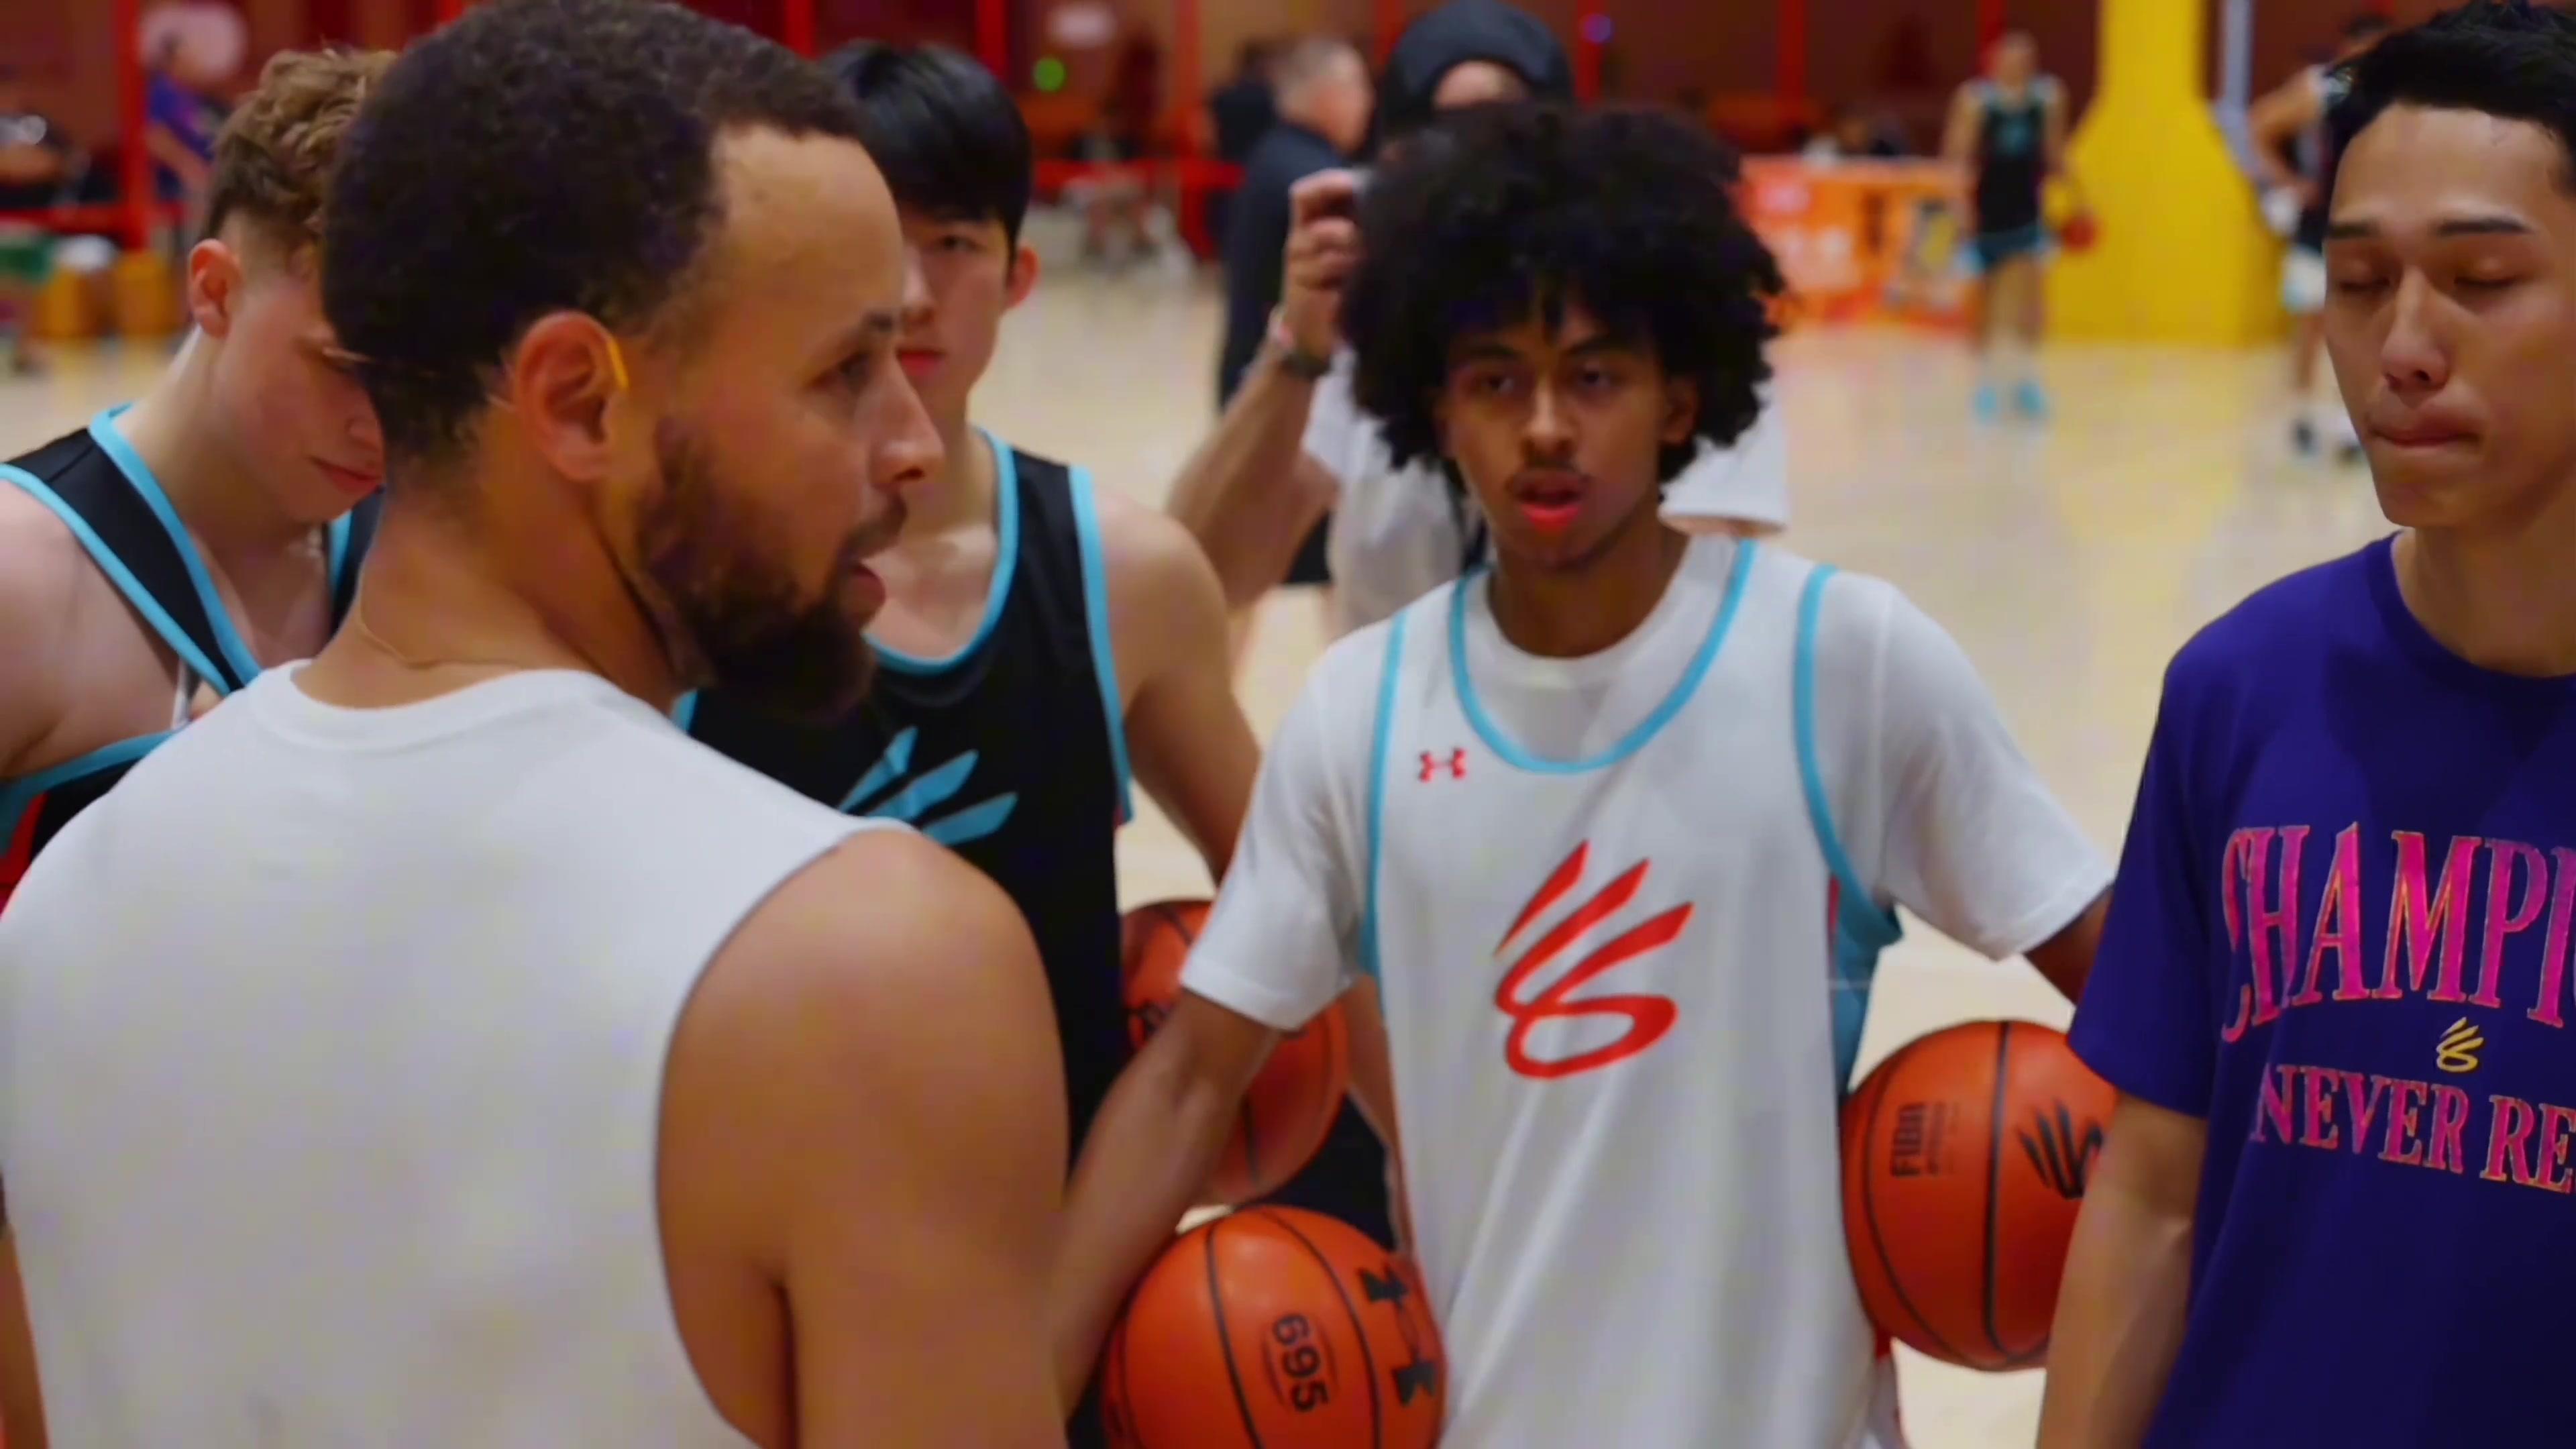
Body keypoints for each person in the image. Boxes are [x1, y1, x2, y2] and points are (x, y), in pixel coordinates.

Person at [0, 3, 1064, 1444]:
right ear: (575, 402)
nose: (913, 445)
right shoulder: (878, 969)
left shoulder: (61, 904)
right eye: (842, 373)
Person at [1051, 101, 2111, 1442]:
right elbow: (1191, 1080)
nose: (1545, 427)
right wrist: (1021, 1390)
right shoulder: (1363, 710)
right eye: (1497, 381)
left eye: (1594, 377)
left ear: (1683, 399)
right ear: (1435, 406)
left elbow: (2135, 986)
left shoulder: (1842, 662)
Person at [2043, 5, 2576, 1446]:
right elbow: (2151, 1197)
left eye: (2480, 281)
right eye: (2358, 282)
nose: (2402, 346)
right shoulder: (2242, 687)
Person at [1171, 0, 1791, 645]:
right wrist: (1299, 352)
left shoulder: (1671, 317)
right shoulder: (1377, 335)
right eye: (1444, 138)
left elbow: (1688, 604)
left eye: (1502, 128)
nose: (1475, 168)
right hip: (1402, 707)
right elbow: (1204, 580)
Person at [2249, 13, 2392, 462]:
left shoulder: (2395, 93)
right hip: (2319, 227)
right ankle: (2303, 417)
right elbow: (2261, 124)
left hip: (2370, 229)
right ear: (2349, 49)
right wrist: (2289, 181)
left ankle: (2351, 424)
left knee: (2369, 327)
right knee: (2311, 327)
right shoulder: (2324, 88)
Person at [1943, 30, 2068, 421]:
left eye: (2024, 60)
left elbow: (2055, 156)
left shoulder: (2047, 99)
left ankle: (2027, 381)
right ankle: (1985, 384)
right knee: (1985, 307)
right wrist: (1958, 210)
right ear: (1994, 63)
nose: (2016, 66)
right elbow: (1957, 157)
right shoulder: (1976, 101)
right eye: (2008, 59)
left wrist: (2078, 200)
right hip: (1985, 214)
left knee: (2030, 305)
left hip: (2028, 212)